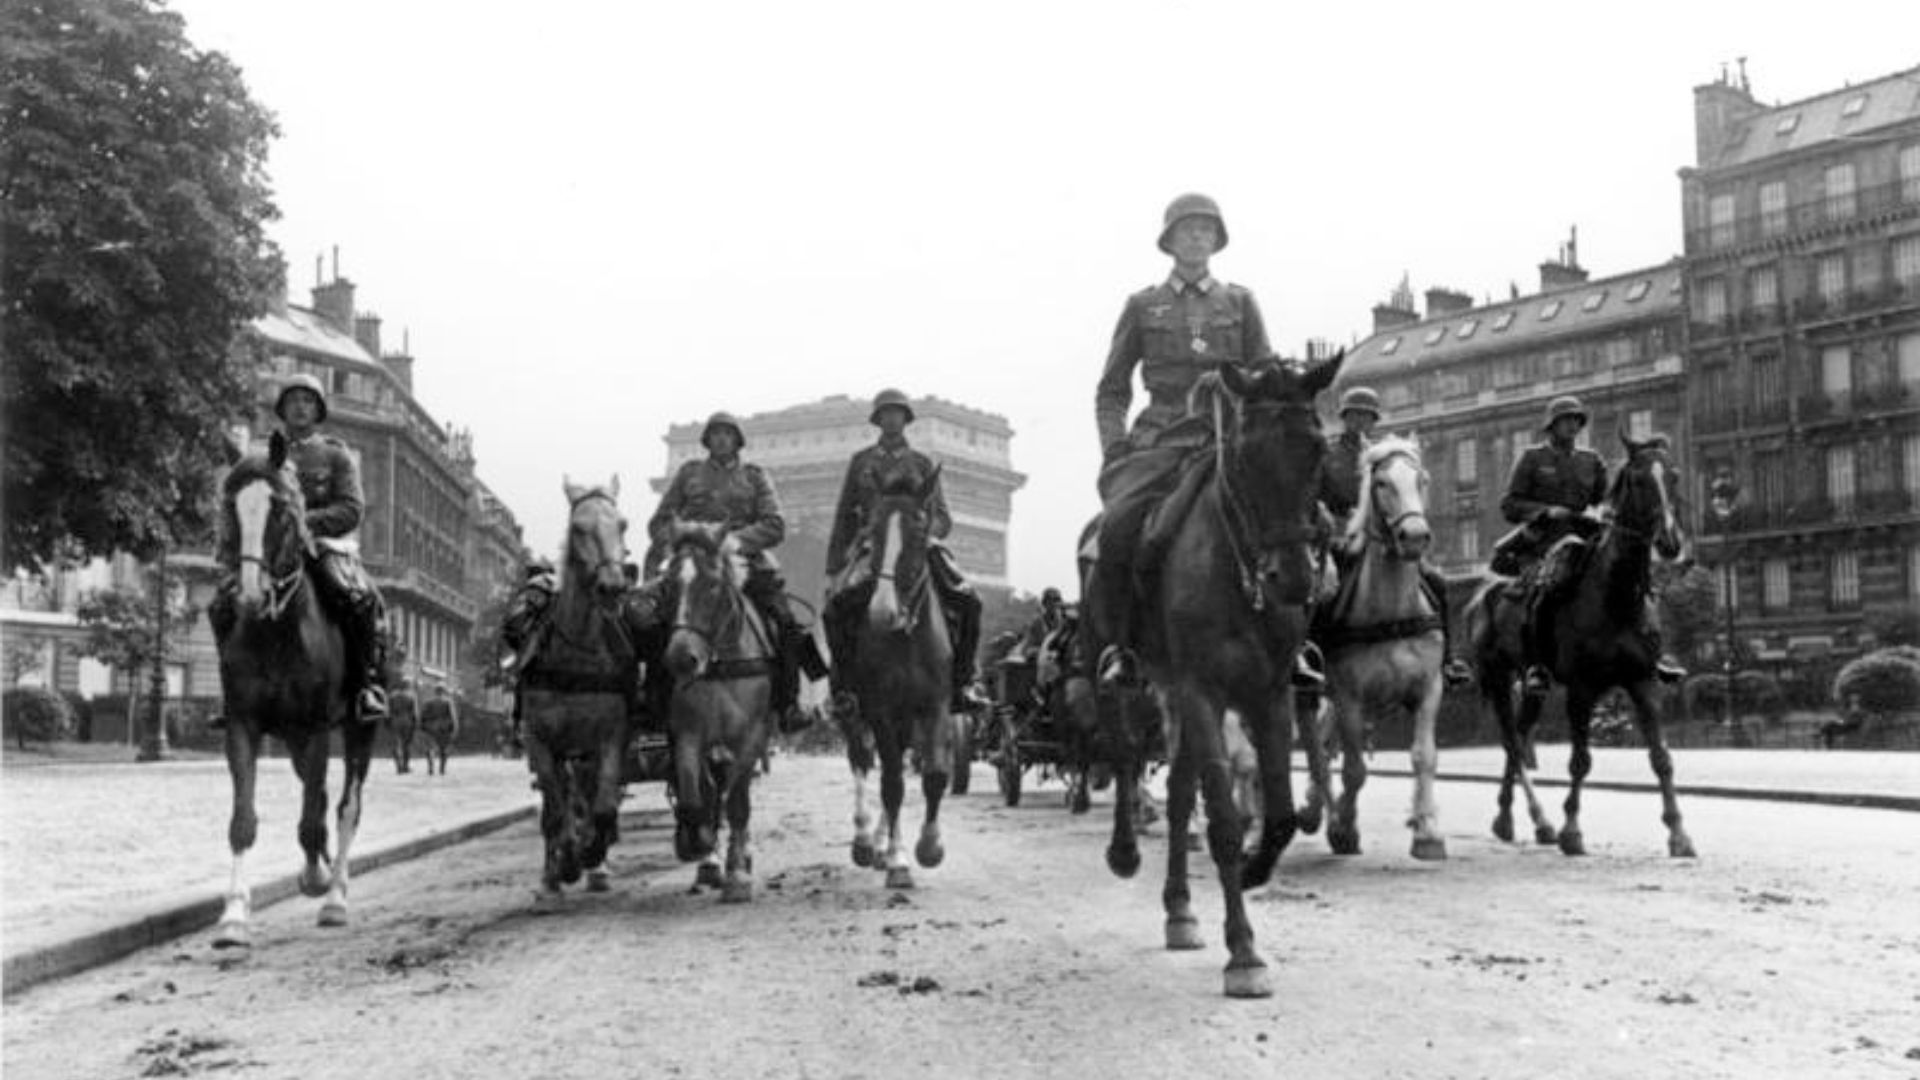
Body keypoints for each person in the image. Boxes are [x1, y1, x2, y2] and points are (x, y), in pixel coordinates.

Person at [1088, 193, 1317, 687]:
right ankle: (1125, 648)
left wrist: (1257, 401)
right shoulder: (1142, 305)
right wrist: (1116, 448)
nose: (1196, 237)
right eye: (1187, 230)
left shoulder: (1240, 302)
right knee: (1117, 528)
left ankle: (1296, 645)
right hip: (1162, 437)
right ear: (1169, 241)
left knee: (1302, 518)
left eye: (1205, 230)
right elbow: (1111, 390)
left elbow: (1264, 370)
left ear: (1216, 240)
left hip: (1230, 435)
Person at [211, 373, 390, 726]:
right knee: (221, 604)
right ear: (282, 408)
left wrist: (304, 522)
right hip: (271, 547)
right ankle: (231, 694)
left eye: (308, 401)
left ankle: (364, 686)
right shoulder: (261, 455)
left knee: (361, 599)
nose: (300, 407)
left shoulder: (335, 455)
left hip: (319, 546)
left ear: (318, 410)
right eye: (293, 400)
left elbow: (352, 508)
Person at [646, 411, 827, 731]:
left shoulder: (754, 477)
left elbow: (775, 525)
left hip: (745, 564)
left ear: (737, 441)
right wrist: (687, 538)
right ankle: (654, 703)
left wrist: (733, 542)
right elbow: (660, 523)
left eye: (727, 434)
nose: (721, 439)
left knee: (787, 624)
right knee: (651, 621)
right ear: (707, 440)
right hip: (693, 565)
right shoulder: (689, 473)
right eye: (715, 434)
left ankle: (789, 703)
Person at [1493, 395, 1685, 692]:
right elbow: (1509, 505)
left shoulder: (1591, 460)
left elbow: (1604, 498)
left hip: (1585, 537)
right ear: (1552, 425)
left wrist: (1604, 511)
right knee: (1543, 590)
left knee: (1632, 579)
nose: (1572, 425)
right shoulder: (1532, 458)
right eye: (1565, 420)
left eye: (1576, 420)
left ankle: (1652, 653)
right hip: (1544, 541)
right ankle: (1536, 666)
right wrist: (1545, 511)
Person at [823, 388, 983, 715]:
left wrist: (921, 532)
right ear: (877, 419)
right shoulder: (861, 462)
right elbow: (844, 517)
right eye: (886, 413)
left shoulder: (922, 463)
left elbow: (943, 518)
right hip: (872, 549)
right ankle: (844, 688)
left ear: (906, 419)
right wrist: (834, 567)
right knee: (834, 610)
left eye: (897, 413)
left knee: (969, 602)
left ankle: (963, 681)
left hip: (917, 547)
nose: (891, 419)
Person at [1317, 386, 1474, 689]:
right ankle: (1316, 657)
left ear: (1374, 421)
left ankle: (1448, 660)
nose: (1361, 421)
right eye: (1355, 415)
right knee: (1325, 592)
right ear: (1344, 418)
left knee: (1436, 582)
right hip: (1343, 536)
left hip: (1385, 538)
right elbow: (1316, 501)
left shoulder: (1387, 456)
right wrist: (1335, 529)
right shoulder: (1328, 455)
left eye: (1367, 416)